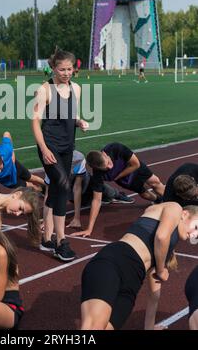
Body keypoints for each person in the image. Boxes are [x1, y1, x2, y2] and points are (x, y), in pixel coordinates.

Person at [81, 203, 198, 330]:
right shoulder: (175, 208)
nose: (194, 234)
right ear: (185, 214)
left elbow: (154, 294)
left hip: (132, 284)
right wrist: (161, 270)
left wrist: (149, 328)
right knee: (94, 326)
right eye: (196, 227)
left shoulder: (163, 252)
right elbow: (161, 236)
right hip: (115, 261)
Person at [32, 47, 89, 261]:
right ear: (53, 68)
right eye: (61, 69)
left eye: (69, 69)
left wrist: (79, 122)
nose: (66, 73)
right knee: (64, 186)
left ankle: (46, 238)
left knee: (56, 189)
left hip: (68, 147)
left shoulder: (77, 89)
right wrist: (45, 149)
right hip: (50, 147)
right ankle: (60, 241)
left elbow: (71, 115)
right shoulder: (44, 90)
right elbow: (35, 123)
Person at [41, 151, 134, 250]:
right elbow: (49, 194)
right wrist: (47, 221)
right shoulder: (52, 165)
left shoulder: (79, 159)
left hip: (85, 183)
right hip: (67, 186)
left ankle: (117, 194)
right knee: (63, 194)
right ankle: (101, 198)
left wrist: (77, 218)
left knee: (101, 189)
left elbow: (77, 188)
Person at [71, 143, 164, 238]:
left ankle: (175, 201)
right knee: (144, 194)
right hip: (126, 181)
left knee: (155, 182)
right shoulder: (97, 175)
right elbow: (96, 200)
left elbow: (136, 164)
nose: (110, 167)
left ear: (104, 155)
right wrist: (89, 229)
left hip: (133, 167)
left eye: (108, 163)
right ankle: (158, 199)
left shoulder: (116, 148)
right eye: (106, 168)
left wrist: (118, 176)